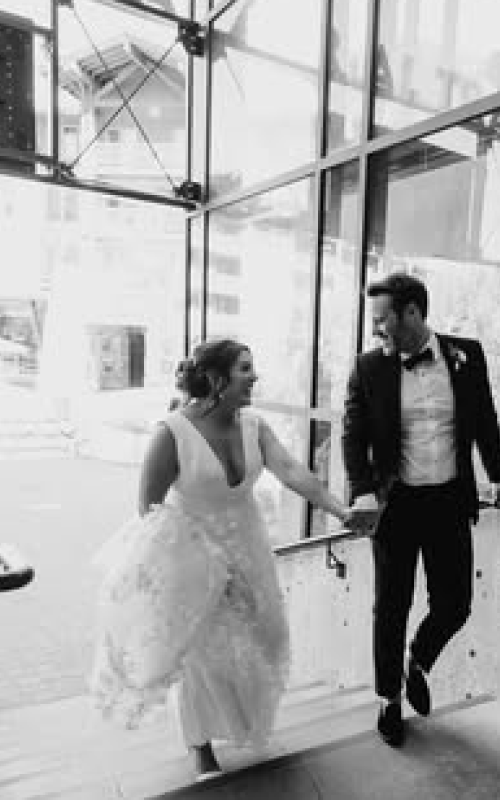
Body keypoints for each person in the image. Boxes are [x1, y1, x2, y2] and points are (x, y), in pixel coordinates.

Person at [90, 338, 369, 781]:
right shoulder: (171, 432)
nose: (254, 377)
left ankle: (238, 723)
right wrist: (190, 560)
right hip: (191, 557)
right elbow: (148, 507)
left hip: (250, 549)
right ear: (218, 379)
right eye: (244, 369)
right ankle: (200, 750)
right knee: (201, 654)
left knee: (264, 638)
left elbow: (295, 472)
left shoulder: (255, 425)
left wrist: (341, 511)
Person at [341, 271, 500, 748]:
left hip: (450, 501)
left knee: (455, 604)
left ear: (411, 313)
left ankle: (419, 658)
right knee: (391, 605)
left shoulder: (466, 354)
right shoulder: (368, 368)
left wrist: (499, 473)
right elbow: (353, 436)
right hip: (398, 505)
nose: (375, 330)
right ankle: (389, 699)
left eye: (381, 319)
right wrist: (363, 490)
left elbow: (487, 422)